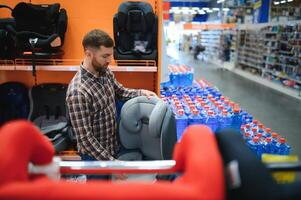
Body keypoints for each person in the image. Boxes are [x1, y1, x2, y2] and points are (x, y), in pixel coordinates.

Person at [66, 29, 156, 180]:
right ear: (88, 54)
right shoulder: (78, 92)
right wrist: (111, 164)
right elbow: (85, 139)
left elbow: (120, 92)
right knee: (99, 193)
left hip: (113, 147)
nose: (110, 60)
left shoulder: (105, 72)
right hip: (94, 157)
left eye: (110, 55)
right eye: (105, 56)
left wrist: (141, 92)